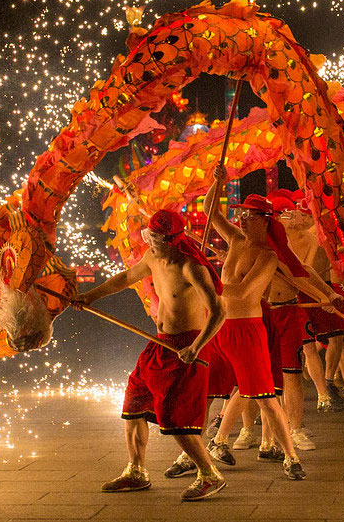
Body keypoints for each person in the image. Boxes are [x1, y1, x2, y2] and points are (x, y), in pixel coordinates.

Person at [73, 209, 227, 501]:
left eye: (155, 238)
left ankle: (209, 473)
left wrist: (196, 347)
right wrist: (89, 296)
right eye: (149, 236)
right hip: (160, 343)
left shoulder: (191, 267)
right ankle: (136, 471)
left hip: (185, 347)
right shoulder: (153, 257)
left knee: (172, 416)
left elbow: (219, 311)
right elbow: (126, 277)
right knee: (134, 402)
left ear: (172, 239)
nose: (150, 242)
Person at [195, 167, 308, 480]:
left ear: (265, 221)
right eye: (240, 215)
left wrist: (205, 284)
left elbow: (244, 291)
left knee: (265, 397)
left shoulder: (267, 256)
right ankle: (203, 448)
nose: (241, 221)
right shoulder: (234, 240)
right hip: (220, 327)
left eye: (249, 216)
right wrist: (217, 182)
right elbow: (209, 211)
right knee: (211, 390)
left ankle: (291, 457)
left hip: (247, 329)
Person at [280, 205, 344, 408]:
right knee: (307, 346)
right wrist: (323, 296)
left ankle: (328, 384)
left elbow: (308, 270)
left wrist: (327, 294)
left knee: (337, 336)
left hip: (318, 286)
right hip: (297, 293)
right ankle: (323, 393)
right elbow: (300, 274)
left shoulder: (316, 237)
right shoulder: (280, 239)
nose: (300, 217)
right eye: (297, 213)